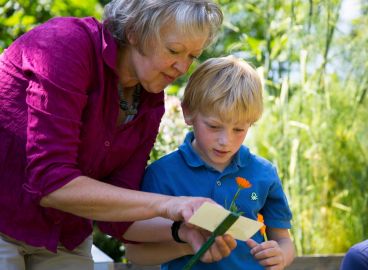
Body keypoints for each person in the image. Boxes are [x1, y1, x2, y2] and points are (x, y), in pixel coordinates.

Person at [0, 1, 237, 269]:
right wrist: (172, 204)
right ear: (135, 31)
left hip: (63, 235)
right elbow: (51, 182)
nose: (182, 68)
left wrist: (181, 231)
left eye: (192, 56)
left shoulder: (149, 102)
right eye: (174, 51)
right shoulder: (65, 45)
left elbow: (119, 216)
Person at [124, 55, 296, 269]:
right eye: (214, 126)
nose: (226, 141)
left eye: (239, 129)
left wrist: (280, 255)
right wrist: (189, 243)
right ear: (188, 113)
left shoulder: (264, 174)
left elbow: (284, 240)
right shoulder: (162, 174)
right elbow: (135, 253)